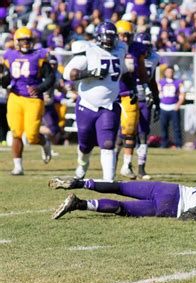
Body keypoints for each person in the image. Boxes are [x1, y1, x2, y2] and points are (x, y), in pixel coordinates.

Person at [63, 22, 128, 182]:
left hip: (109, 105)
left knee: (107, 143)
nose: (109, 41)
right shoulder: (88, 50)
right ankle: (82, 167)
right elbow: (68, 74)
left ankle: (108, 181)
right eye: (106, 37)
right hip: (86, 105)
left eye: (112, 37)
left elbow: (126, 70)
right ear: (99, 37)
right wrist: (90, 72)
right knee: (85, 144)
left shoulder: (121, 49)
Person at [49, 175, 196, 222]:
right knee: (122, 208)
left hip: (169, 188)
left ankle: (80, 183)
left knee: (120, 186)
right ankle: (79, 204)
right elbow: (188, 216)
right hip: (171, 206)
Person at [1, 27, 55, 175]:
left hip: (33, 99)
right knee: (16, 133)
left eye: (28, 40)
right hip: (15, 98)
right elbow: (6, 79)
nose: (25, 43)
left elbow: (51, 78)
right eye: (22, 40)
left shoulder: (39, 56)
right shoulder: (9, 56)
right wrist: (4, 80)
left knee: (32, 136)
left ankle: (45, 143)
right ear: (16, 41)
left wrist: (39, 88)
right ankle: (18, 166)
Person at [114, 20, 154, 179]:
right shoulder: (109, 48)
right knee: (113, 134)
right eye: (121, 35)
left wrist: (150, 90)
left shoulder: (138, 49)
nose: (124, 38)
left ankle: (126, 165)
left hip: (130, 93)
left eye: (127, 35)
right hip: (111, 94)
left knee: (130, 131)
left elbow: (145, 76)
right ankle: (109, 167)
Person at [134, 32, 160, 180]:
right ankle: (124, 165)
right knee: (124, 134)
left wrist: (157, 101)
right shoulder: (129, 57)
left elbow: (153, 81)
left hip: (145, 100)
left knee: (143, 134)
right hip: (128, 97)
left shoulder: (154, 58)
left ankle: (141, 168)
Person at [158, 66, 185, 149]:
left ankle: (178, 144)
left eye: (171, 72)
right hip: (163, 106)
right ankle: (164, 144)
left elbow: (182, 95)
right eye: (168, 71)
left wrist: (178, 104)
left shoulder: (179, 82)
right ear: (165, 73)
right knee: (163, 127)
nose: (169, 73)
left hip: (174, 106)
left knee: (176, 127)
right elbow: (158, 93)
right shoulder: (161, 82)